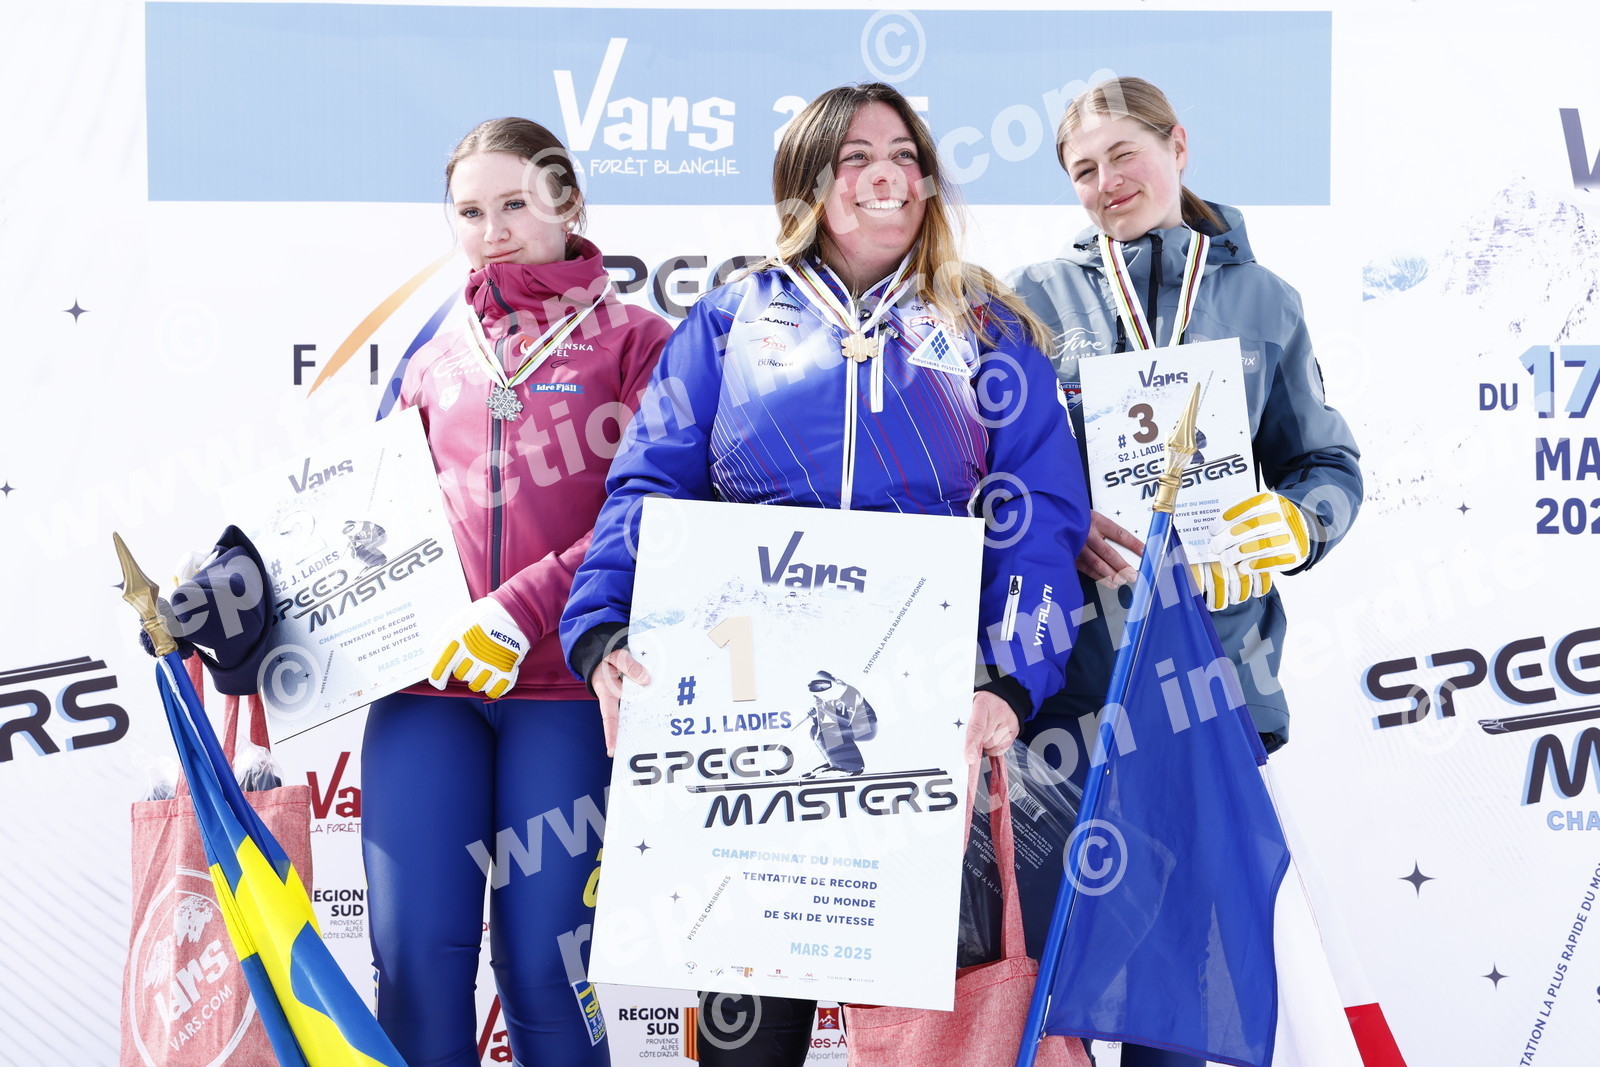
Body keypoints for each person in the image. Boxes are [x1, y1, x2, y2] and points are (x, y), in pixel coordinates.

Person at [560, 83, 1091, 1067]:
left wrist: (1011, 680)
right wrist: (602, 628)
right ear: (808, 182)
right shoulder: (729, 322)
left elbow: (1040, 519)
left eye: (904, 154)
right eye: (856, 157)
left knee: (929, 1039)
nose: (887, 174)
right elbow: (649, 483)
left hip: (926, 720)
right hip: (750, 724)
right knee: (748, 1034)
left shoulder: (984, 327)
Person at [1008, 76, 1363, 1067]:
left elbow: (1327, 465)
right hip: (1074, 694)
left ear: (1177, 144)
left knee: (1178, 997)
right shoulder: (1032, 300)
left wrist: (1294, 523)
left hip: (1213, 685)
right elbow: (993, 471)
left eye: (1123, 154)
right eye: (1084, 169)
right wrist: (1056, 521)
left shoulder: (1263, 300)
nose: (1107, 182)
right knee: (1062, 981)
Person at [360, 117, 671, 1066]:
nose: (492, 231)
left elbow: (650, 513)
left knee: (545, 969)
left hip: (567, 689)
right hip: (427, 691)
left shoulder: (638, 341)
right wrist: (243, 587)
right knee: (414, 966)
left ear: (568, 203)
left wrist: (520, 607)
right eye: (469, 212)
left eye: (515, 205)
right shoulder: (433, 351)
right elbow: (363, 515)